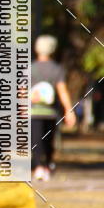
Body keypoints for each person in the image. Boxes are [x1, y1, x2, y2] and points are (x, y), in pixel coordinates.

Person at [31, 34, 76, 180]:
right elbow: (62, 91)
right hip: (50, 113)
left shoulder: (30, 69)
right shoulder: (57, 69)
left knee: (36, 140)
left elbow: (22, 91)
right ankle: (47, 165)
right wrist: (69, 110)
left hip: (34, 112)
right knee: (48, 141)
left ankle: (39, 167)